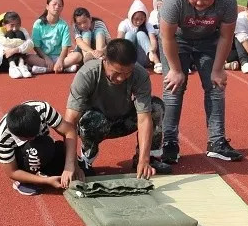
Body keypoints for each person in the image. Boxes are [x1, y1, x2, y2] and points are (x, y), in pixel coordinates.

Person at [159, 0, 243, 165]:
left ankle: (216, 142)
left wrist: (218, 69)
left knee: (216, 86)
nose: (199, 3)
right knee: (174, 87)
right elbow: (166, 36)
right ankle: (169, 142)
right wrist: (176, 70)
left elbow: (226, 35)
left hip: (208, 40)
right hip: (177, 40)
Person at [64, 38, 171, 178]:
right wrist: (70, 163)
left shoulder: (140, 74)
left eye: (127, 73)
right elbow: (70, 120)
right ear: (105, 60)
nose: (121, 78)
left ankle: (149, 157)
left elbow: (144, 119)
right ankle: (85, 161)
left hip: (123, 120)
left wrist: (143, 160)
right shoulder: (87, 74)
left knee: (156, 106)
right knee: (90, 120)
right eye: (117, 72)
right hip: (95, 123)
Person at [0, 100, 83, 196]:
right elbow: (12, 172)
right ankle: (25, 181)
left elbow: (69, 131)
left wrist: (71, 165)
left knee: (84, 172)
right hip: (24, 160)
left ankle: (45, 171)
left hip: (46, 149)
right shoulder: (2, 137)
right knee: (39, 147)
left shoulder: (43, 109)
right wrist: (46, 181)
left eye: (36, 133)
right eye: (27, 138)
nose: (33, 138)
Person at [29, 0, 82, 74]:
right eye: (54, 4)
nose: (57, 7)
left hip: (59, 57)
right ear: (47, 7)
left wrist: (60, 61)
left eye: (60, 6)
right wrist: (46, 58)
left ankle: (47, 69)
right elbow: (36, 46)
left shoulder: (63, 25)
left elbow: (65, 48)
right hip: (43, 57)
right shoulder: (38, 24)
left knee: (78, 56)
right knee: (27, 57)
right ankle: (63, 68)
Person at [117, 0, 162, 74]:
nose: (139, 22)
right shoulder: (124, 24)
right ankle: (128, 63)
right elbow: (119, 40)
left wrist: (152, 50)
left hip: (144, 57)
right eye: (136, 19)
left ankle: (156, 62)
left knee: (140, 34)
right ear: (131, 16)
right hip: (130, 58)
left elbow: (153, 40)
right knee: (129, 34)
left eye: (142, 19)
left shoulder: (148, 25)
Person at [0, 11, 33, 78]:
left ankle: (21, 65)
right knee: (10, 34)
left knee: (19, 33)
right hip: (4, 61)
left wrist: (16, 50)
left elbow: (31, 44)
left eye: (18, 25)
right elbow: (5, 43)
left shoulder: (22, 30)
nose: (15, 28)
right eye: (12, 25)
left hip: (19, 58)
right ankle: (12, 66)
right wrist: (22, 42)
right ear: (4, 24)